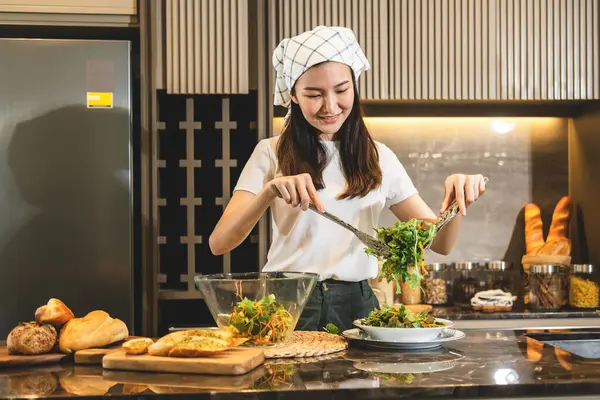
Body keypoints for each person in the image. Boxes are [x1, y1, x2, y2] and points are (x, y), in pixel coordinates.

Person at [209, 26, 487, 332]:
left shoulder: (379, 157)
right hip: (289, 301)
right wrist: (270, 191)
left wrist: (456, 201)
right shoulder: (271, 152)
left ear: (354, 87)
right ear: (293, 96)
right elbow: (219, 243)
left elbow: (439, 244)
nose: (330, 106)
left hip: (359, 303)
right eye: (314, 94)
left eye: (341, 91)